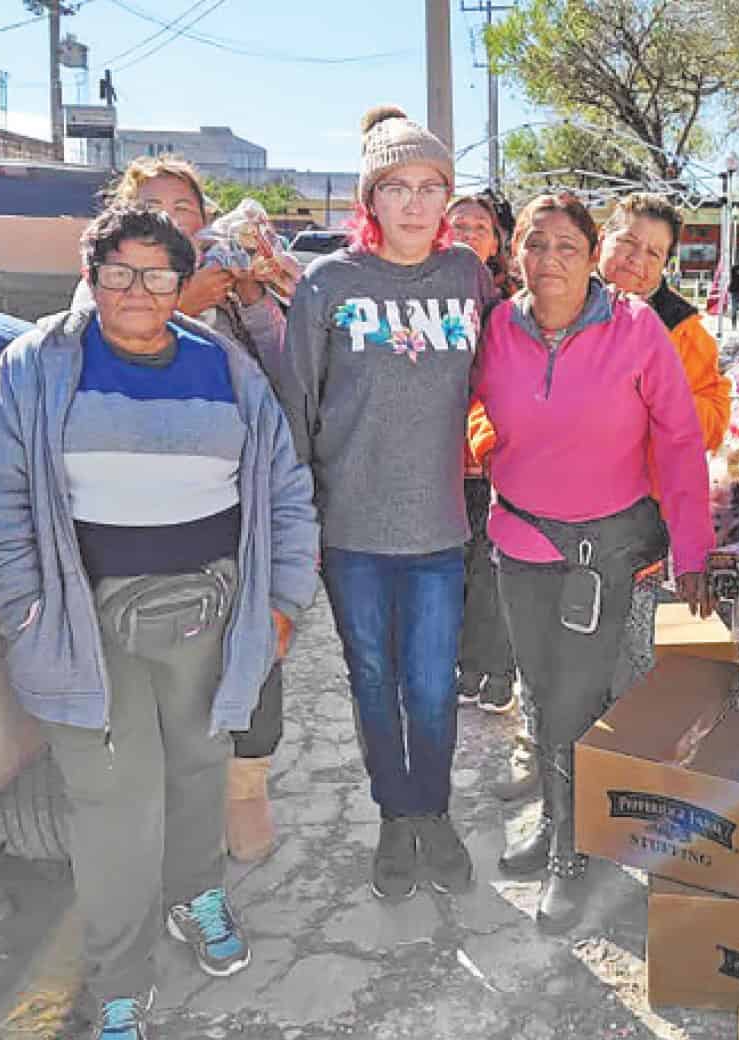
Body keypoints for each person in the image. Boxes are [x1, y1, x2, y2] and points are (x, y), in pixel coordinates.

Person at [0, 206, 319, 1040]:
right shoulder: (38, 366)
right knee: (114, 807)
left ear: (179, 284)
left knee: (199, 767)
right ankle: (120, 979)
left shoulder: (223, 365)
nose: (137, 290)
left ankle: (195, 895)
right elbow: (1, 504)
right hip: (83, 628)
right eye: (118, 272)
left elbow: (285, 488)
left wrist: (281, 605)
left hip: (211, 610)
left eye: (158, 274)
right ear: (90, 277)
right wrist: (25, 612)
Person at [473, 192, 714, 934]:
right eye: (534, 246)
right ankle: (557, 822)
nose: (547, 262)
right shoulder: (496, 327)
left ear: (589, 258)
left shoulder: (638, 328)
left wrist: (693, 547)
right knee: (542, 697)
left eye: (564, 248)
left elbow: (678, 441)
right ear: (516, 253)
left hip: (599, 556)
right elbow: (472, 410)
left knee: (577, 702)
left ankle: (571, 859)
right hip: (518, 547)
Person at [273, 106, 495, 904]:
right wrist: (297, 530)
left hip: (438, 528)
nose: (412, 203)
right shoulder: (329, 284)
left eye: (429, 186)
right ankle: (393, 820)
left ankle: (429, 813)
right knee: (373, 680)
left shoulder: (467, 276)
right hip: (353, 534)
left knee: (432, 685)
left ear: (447, 197)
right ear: (370, 199)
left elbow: (497, 381)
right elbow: (296, 408)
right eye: (394, 187)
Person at [73, 154, 292, 863]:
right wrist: (183, 300)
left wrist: (254, 295)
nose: (172, 219)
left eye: (185, 208)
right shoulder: (105, 296)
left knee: (252, 649)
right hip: (135, 530)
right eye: (154, 206)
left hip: (231, 504)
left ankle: (244, 787)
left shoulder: (223, 280)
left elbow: (282, 372)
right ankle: (175, 825)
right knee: (156, 690)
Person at [596, 192, 731, 696]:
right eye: (628, 242)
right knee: (546, 645)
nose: (636, 260)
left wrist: (655, 402)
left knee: (629, 651)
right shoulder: (552, 301)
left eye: (654, 253)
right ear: (602, 239)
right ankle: (542, 750)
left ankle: (615, 760)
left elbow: (714, 421)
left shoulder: (682, 328)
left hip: (638, 520)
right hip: (549, 520)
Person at [445, 194, 516, 714]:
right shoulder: (419, 292)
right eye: (459, 224)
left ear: (497, 242)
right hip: (435, 457)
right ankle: (465, 668)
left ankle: (499, 671)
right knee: (455, 570)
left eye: (480, 226)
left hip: (494, 453)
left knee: (495, 569)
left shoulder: (513, 303)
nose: (469, 233)